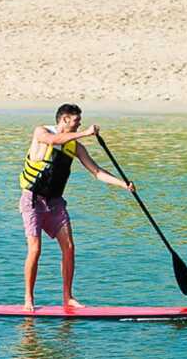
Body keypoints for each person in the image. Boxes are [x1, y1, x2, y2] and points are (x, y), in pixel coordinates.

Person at [19, 103, 133, 310]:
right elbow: (53, 140)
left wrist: (123, 185)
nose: (79, 124)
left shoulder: (76, 147)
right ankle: (28, 298)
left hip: (55, 203)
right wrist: (85, 133)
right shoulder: (41, 132)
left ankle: (68, 297)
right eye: (76, 121)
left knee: (69, 247)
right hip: (33, 200)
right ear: (64, 119)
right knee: (35, 249)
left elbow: (97, 172)